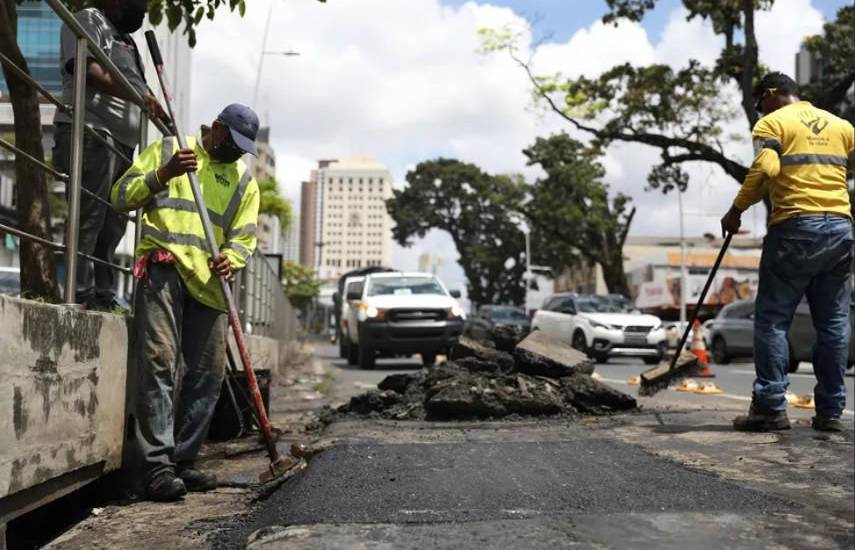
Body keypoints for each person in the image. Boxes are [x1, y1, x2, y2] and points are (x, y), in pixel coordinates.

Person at [112, 104, 261, 501]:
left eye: (244, 149)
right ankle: (156, 468)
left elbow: (245, 238)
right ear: (215, 129)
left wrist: (231, 257)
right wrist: (165, 175)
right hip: (165, 269)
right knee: (159, 362)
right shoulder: (169, 150)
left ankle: (184, 459)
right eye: (233, 143)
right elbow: (121, 196)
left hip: (211, 286)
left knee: (206, 377)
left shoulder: (245, 184)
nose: (237, 153)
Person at [721, 72, 854, 433]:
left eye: (758, 102)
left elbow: (767, 167)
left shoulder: (773, 123)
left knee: (772, 320)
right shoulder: (841, 126)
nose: (758, 110)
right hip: (841, 230)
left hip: (795, 229)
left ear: (771, 94)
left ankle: (770, 407)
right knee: (833, 323)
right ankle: (830, 412)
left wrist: (736, 209)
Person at [53, 0, 165, 310]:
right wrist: (138, 96)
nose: (143, 11)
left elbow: (136, 86)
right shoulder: (90, 19)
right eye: (138, 5)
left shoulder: (127, 40)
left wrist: (152, 104)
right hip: (92, 131)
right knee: (89, 216)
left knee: (113, 225)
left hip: (123, 145)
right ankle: (77, 292)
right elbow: (85, 67)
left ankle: (103, 295)